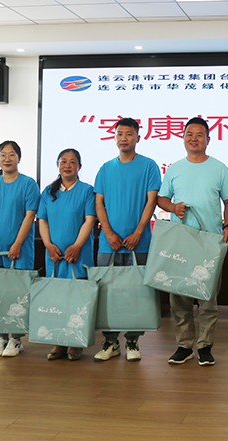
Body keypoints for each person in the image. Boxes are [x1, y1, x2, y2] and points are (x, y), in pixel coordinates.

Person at [157, 117, 228, 367]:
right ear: (183, 138)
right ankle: (184, 345)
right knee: (178, 296)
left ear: (208, 140)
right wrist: (173, 207)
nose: (194, 138)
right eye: (189, 134)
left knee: (207, 298)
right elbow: (161, 199)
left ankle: (205, 346)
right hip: (180, 241)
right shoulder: (174, 169)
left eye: (199, 134)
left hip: (209, 241)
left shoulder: (219, 168)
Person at [93, 117, 161, 363]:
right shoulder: (105, 168)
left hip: (139, 242)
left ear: (138, 138)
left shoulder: (149, 166)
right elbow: (99, 203)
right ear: (115, 138)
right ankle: (110, 342)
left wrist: (139, 232)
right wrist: (109, 233)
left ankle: (133, 341)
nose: (124, 138)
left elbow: (151, 201)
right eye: (120, 134)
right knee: (107, 294)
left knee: (136, 294)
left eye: (129, 134)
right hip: (108, 244)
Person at [0, 140, 40, 358]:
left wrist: (18, 243)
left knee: (16, 295)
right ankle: (0, 337)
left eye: (12, 154)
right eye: (3, 155)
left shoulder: (28, 184)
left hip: (18, 251)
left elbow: (30, 216)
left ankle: (16, 339)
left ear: (19, 158)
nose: (7, 159)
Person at [38, 148, 97, 361]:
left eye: (72, 162)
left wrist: (77, 246)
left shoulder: (87, 191)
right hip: (54, 256)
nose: (68, 165)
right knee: (57, 300)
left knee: (76, 300)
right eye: (63, 161)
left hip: (79, 255)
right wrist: (48, 245)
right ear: (58, 165)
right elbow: (42, 220)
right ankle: (58, 342)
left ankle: (75, 342)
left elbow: (89, 220)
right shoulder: (48, 192)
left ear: (79, 167)